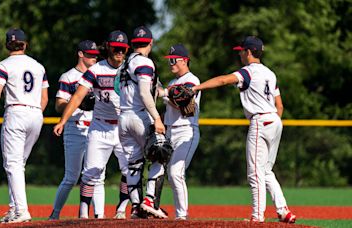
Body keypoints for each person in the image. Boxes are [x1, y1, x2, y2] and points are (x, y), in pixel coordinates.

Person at [192, 36, 296, 223]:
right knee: (266, 171)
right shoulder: (270, 74)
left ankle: (257, 216)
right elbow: (279, 105)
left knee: (254, 172)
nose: (239, 54)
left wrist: (197, 88)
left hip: (260, 121)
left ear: (248, 52)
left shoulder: (248, 72)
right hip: (275, 120)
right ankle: (283, 210)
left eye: (241, 51)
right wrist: (273, 122)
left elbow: (224, 80)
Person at [53, 30, 130, 219]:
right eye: (116, 48)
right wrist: (63, 120)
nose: (119, 52)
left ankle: (118, 211)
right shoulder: (89, 72)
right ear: (109, 48)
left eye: (123, 48)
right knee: (86, 174)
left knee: (129, 170)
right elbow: (76, 97)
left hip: (122, 127)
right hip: (93, 126)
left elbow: (149, 90)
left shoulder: (131, 68)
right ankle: (79, 215)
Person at [0, 28, 49, 223]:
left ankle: (22, 211)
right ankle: (14, 208)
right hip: (36, 114)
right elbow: (44, 97)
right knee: (18, 164)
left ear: (7, 45)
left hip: (16, 113)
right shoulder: (38, 66)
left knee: (12, 164)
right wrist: (35, 114)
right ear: (25, 44)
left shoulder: (4, 65)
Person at [118, 26, 167, 219]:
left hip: (123, 118)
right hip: (140, 116)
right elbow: (145, 93)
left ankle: (136, 207)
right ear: (151, 42)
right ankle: (149, 201)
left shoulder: (124, 64)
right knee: (161, 154)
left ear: (131, 44)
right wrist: (157, 118)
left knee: (134, 164)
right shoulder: (145, 62)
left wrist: (166, 93)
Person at [49, 40, 99, 220]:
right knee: (71, 177)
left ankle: (98, 218)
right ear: (80, 54)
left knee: (96, 176)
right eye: (90, 54)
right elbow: (59, 104)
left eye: (95, 54)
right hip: (75, 128)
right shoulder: (68, 77)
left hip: (96, 129)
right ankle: (54, 215)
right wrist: (77, 103)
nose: (94, 57)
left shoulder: (99, 74)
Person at [162, 44, 201, 220]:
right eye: (169, 60)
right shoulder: (171, 83)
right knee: (166, 173)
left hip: (187, 131)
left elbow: (185, 107)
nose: (170, 63)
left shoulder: (193, 80)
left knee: (176, 172)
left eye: (174, 60)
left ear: (184, 61)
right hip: (170, 131)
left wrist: (163, 94)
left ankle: (182, 217)